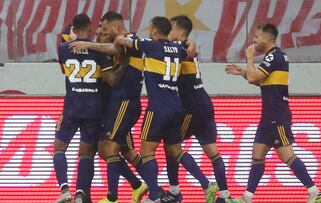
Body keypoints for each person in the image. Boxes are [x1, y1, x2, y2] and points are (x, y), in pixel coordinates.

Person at [114, 16, 218, 203]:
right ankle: (206, 183)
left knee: (147, 151)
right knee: (175, 150)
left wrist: (119, 36)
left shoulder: (150, 45)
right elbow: (190, 53)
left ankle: (154, 196)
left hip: (158, 106)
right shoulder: (178, 49)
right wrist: (190, 43)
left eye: (150, 28)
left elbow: (124, 41)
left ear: (154, 31)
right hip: (176, 106)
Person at [225, 23, 321, 203]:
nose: (254, 41)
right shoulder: (274, 56)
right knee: (257, 155)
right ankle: (247, 197)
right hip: (268, 116)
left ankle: (315, 192)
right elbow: (260, 81)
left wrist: (249, 58)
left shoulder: (274, 55)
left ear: (266, 39)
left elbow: (255, 77)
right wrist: (242, 73)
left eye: (256, 37)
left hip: (277, 115)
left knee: (287, 156)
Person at [70, 11, 148, 203]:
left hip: (120, 105)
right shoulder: (97, 50)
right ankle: (140, 186)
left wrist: (88, 44)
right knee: (108, 151)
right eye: (98, 29)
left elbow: (114, 51)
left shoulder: (123, 43)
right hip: (104, 109)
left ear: (112, 28)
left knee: (119, 149)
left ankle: (145, 189)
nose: (100, 31)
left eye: (103, 28)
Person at [166, 15, 240, 203]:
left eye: (171, 27)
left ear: (181, 32)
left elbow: (183, 51)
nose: (168, 30)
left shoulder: (180, 48)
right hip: (204, 104)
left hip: (191, 107)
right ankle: (225, 196)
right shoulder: (186, 47)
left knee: (171, 147)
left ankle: (188, 188)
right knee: (213, 153)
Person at [54, 13, 120, 203]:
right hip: (93, 109)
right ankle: (81, 193)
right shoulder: (99, 51)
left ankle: (64, 189)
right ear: (90, 29)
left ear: (74, 30)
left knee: (59, 149)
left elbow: (63, 71)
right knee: (86, 153)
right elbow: (111, 80)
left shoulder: (64, 49)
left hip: (72, 108)